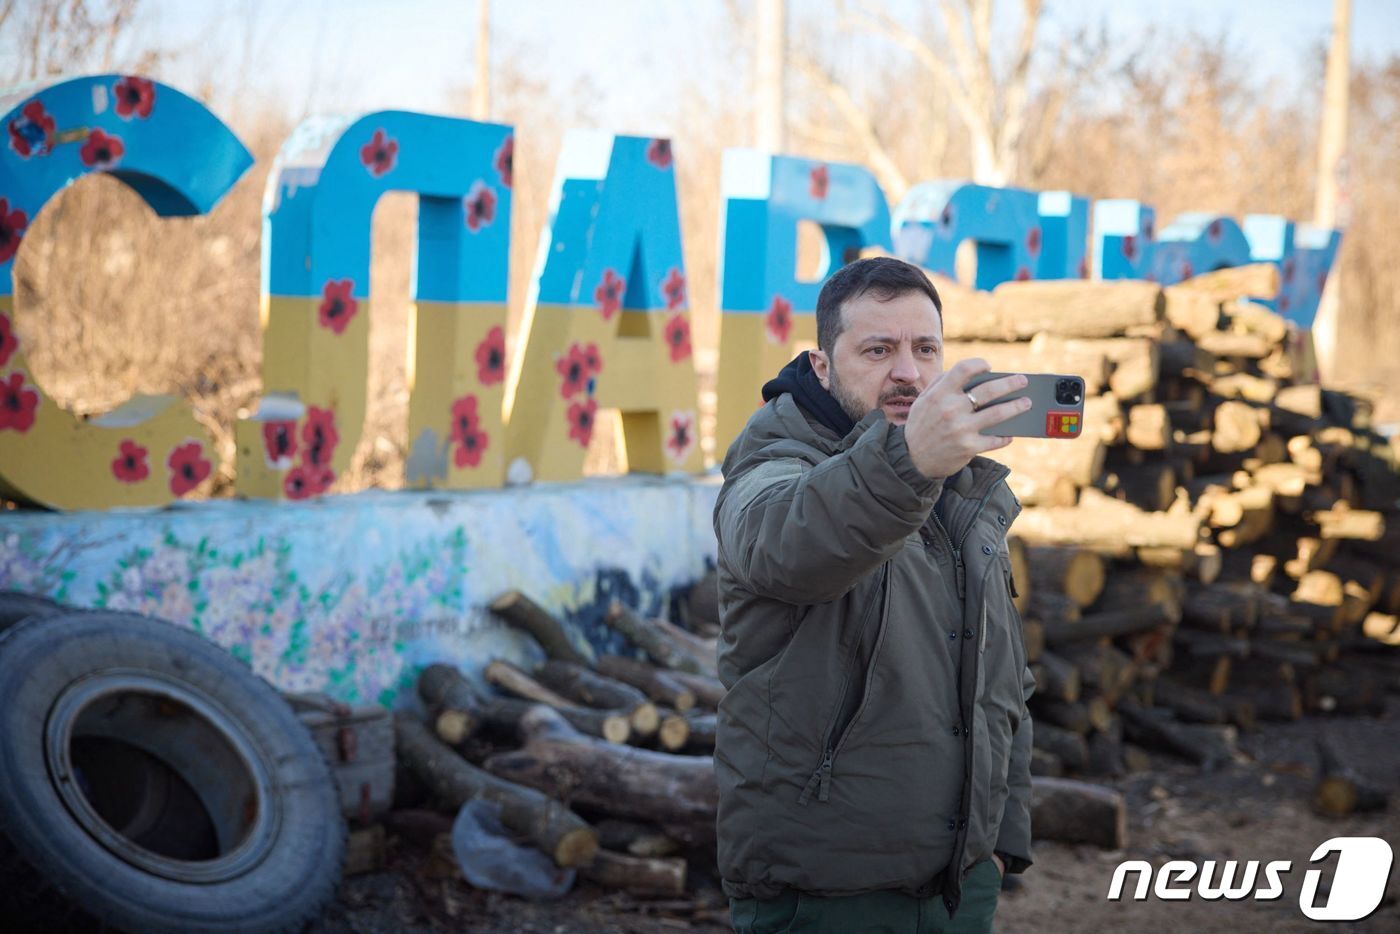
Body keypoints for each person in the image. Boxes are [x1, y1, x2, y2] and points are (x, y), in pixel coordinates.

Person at [713, 256, 1036, 933]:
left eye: (925, 349)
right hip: (826, 894)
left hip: (960, 885)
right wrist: (910, 461)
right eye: (878, 349)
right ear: (823, 366)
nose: (909, 373)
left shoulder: (963, 489)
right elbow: (788, 545)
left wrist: (1000, 843)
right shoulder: (773, 463)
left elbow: (1001, 686)